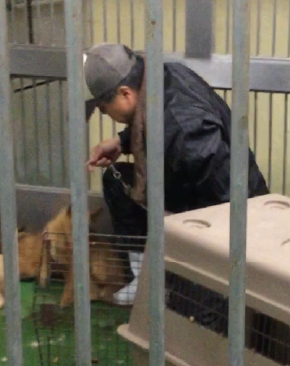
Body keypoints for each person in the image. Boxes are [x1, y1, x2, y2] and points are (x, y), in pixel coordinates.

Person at [84, 43, 269, 304]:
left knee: (194, 303)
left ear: (125, 93)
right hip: (196, 187)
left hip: (230, 212)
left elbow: (227, 196)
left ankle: (177, 286)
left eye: (104, 108)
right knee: (116, 182)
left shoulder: (186, 131)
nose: (105, 114)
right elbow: (152, 124)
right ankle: (145, 278)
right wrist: (122, 142)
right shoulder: (163, 76)